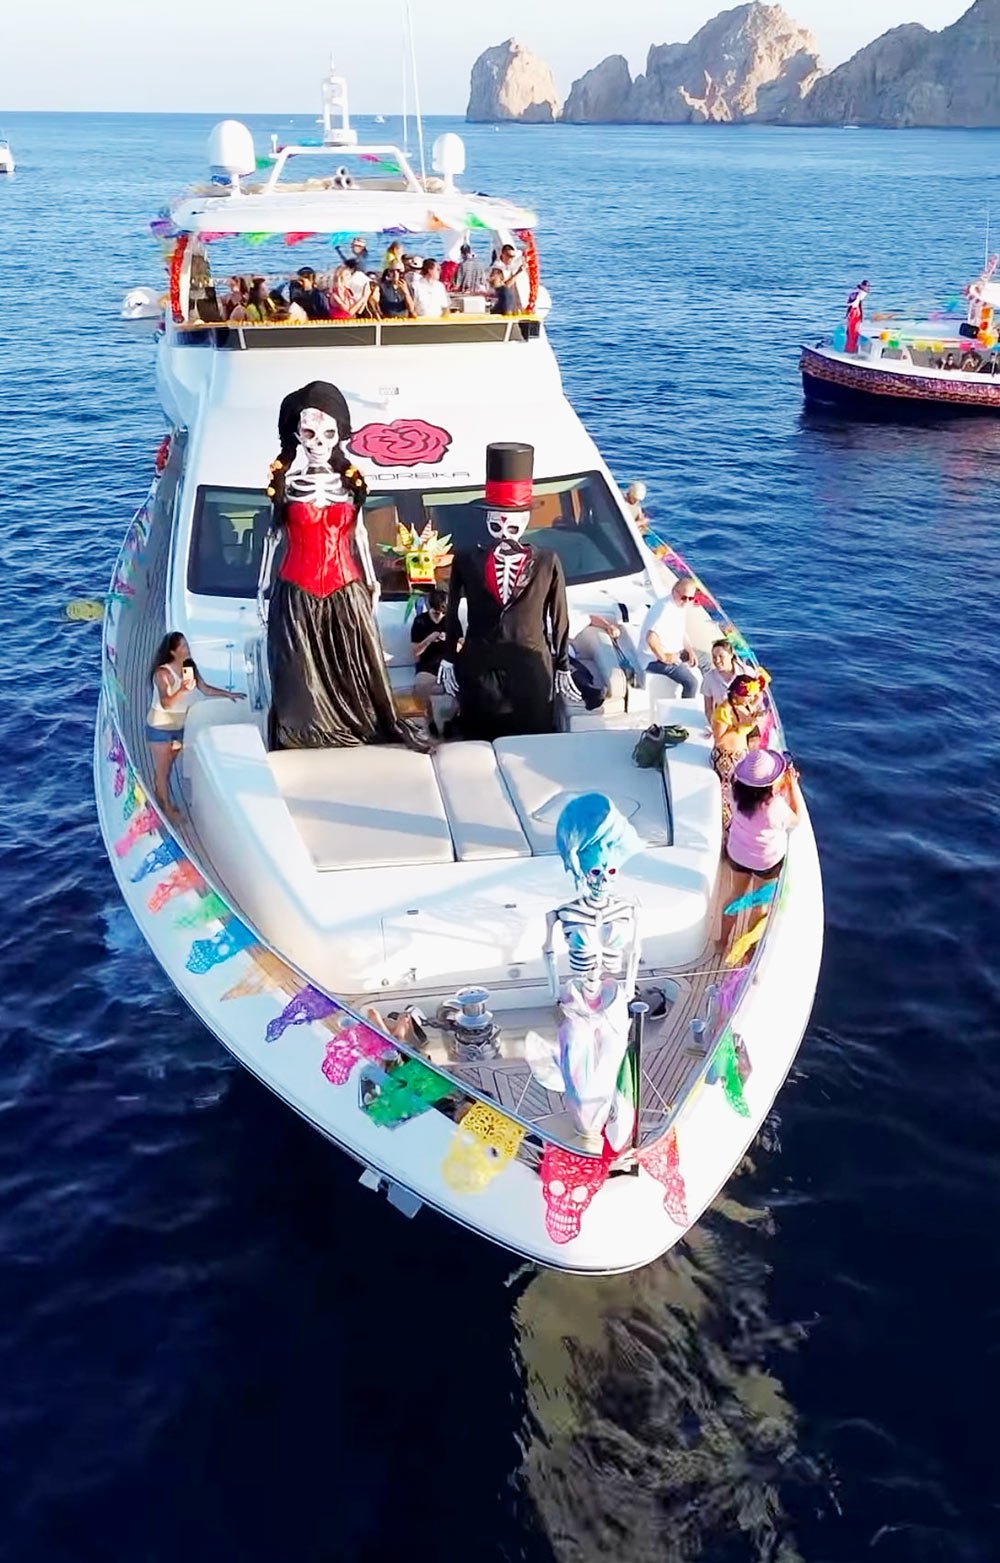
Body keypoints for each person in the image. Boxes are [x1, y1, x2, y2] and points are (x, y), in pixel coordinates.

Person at [261, 380, 427, 751]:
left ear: (338, 437)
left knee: (352, 665)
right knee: (300, 669)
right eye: (309, 434)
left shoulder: (350, 486)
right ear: (298, 437)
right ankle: (305, 731)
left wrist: (372, 581)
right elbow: (273, 538)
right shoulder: (285, 486)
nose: (318, 443)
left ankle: (358, 721)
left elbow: (360, 536)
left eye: (327, 434)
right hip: (295, 590)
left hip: (346, 587)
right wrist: (263, 586)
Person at [439, 442, 577, 741]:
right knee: (478, 733)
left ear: (525, 521)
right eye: (496, 526)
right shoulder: (466, 558)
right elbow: (451, 611)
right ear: (487, 521)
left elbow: (560, 616)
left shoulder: (546, 561)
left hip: (530, 665)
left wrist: (562, 664)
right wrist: (449, 656)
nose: (503, 534)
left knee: (533, 735)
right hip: (480, 663)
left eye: (511, 528)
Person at [146, 631, 244, 819]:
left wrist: (228, 694)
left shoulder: (189, 667)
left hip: (177, 728)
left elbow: (205, 689)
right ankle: (166, 809)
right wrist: (182, 689)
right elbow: (166, 703)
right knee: (163, 770)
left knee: (166, 769)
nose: (187, 648)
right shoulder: (163, 673)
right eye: (182, 646)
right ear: (173, 652)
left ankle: (159, 795)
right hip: (160, 729)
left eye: (186, 645)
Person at [725, 748, 802, 885]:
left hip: (737, 853)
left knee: (736, 894)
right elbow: (796, 819)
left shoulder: (734, 794)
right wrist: (792, 787)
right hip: (766, 860)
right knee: (760, 903)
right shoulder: (774, 806)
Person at [711, 670, 772, 824]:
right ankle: (727, 829)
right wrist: (741, 727)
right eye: (747, 696)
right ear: (736, 694)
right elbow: (719, 740)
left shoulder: (746, 705)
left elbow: (758, 693)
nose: (750, 699)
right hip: (726, 757)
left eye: (751, 697)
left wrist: (761, 682)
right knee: (727, 795)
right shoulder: (724, 711)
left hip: (741, 754)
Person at [640, 577, 701, 699]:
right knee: (691, 683)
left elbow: (681, 632)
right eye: (683, 597)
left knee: (706, 661)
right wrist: (665, 657)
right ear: (674, 592)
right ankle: (686, 713)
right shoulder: (664, 609)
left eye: (690, 598)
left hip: (676, 651)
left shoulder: (679, 607)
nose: (686, 601)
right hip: (654, 660)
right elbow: (651, 637)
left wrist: (690, 651)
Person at [410, 587, 454, 734]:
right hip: (427, 665)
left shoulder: (450, 621)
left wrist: (452, 641)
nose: (440, 616)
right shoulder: (420, 621)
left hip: (447, 665)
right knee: (421, 686)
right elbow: (416, 653)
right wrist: (429, 639)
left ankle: (449, 721)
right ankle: (431, 721)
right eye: (436, 613)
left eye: (443, 613)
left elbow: (461, 646)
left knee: (463, 684)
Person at [702, 638, 752, 719]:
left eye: (721, 656)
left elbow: (759, 697)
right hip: (723, 720)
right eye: (714, 657)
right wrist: (714, 726)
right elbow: (708, 709)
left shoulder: (747, 672)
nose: (717, 660)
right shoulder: (709, 678)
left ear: (731, 655)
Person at [845, 279, 869, 354]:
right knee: (852, 332)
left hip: (856, 312)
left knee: (854, 332)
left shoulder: (859, 295)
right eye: (865, 287)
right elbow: (850, 303)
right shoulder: (856, 294)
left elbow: (859, 304)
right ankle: (850, 350)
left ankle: (851, 348)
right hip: (854, 312)